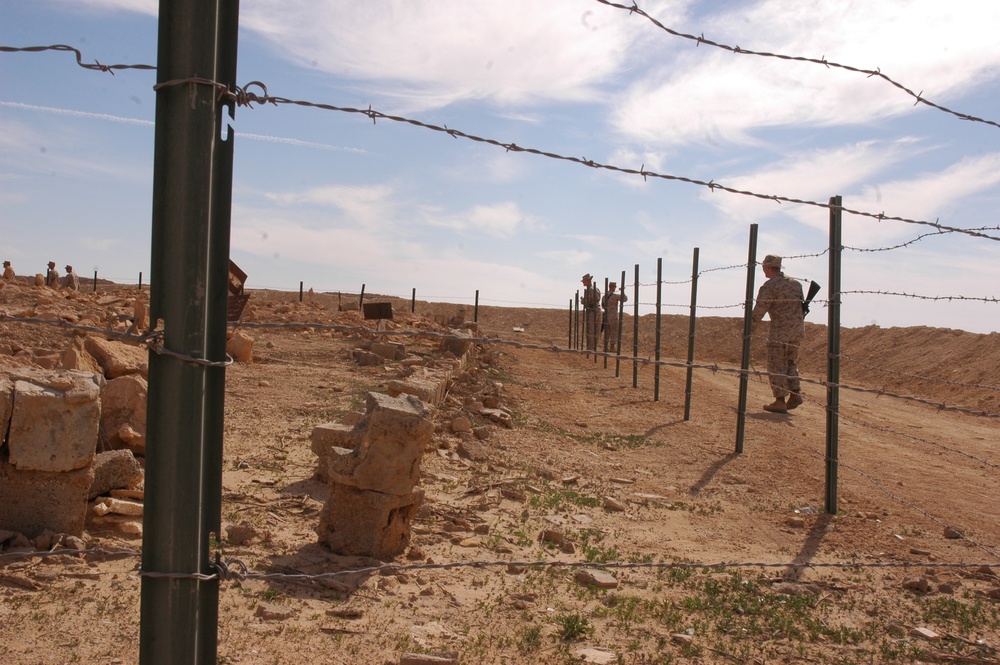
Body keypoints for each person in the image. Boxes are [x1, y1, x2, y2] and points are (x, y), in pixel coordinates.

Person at [751, 254, 805, 413]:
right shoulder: (796, 284)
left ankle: (780, 400)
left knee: (776, 364)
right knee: (790, 361)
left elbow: (759, 310)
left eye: (763, 267)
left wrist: (748, 329)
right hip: (797, 330)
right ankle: (795, 394)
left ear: (768, 267)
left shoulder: (770, 286)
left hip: (780, 330)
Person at [601, 281, 628, 350]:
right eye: (614, 287)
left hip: (606, 316)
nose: (615, 288)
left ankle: (605, 347)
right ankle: (612, 348)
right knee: (614, 331)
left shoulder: (604, 296)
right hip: (613, 316)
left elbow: (603, 306)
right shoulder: (614, 296)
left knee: (607, 332)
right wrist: (622, 291)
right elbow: (625, 299)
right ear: (612, 287)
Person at [579, 273, 601, 351]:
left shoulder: (590, 290)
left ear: (588, 281)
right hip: (596, 310)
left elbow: (588, 301)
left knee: (591, 329)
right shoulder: (596, 289)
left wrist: (582, 300)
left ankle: (590, 348)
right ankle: (593, 347)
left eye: (584, 281)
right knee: (596, 330)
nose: (583, 283)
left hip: (592, 311)